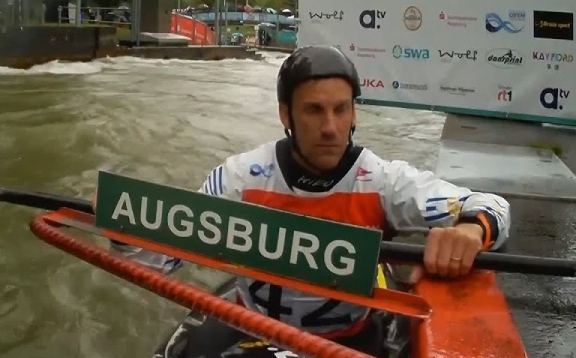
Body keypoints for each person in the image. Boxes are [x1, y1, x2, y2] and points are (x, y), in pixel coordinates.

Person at [103, 45, 511, 357]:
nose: (331, 128)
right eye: (314, 111)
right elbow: (159, 261)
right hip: (251, 330)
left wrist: (471, 228)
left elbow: (493, 205)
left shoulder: (384, 180)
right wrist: (126, 229)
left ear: (354, 114)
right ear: (286, 115)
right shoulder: (240, 177)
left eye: (341, 110)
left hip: (349, 339)